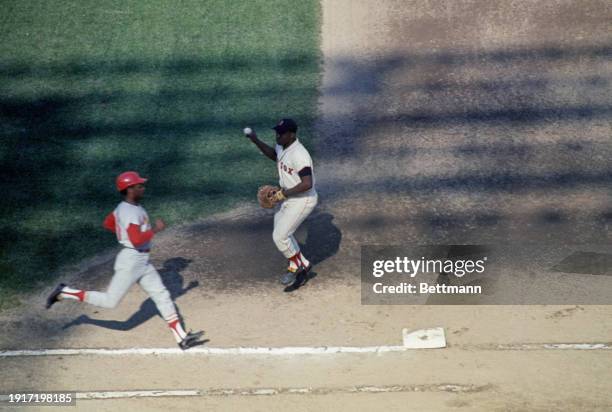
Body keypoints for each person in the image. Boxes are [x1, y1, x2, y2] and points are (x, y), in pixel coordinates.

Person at [46, 171, 203, 349]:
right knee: (110, 302)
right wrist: (156, 230)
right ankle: (65, 292)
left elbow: (108, 223)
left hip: (141, 260)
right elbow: (136, 240)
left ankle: (182, 338)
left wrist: (123, 235)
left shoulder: (127, 208)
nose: (143, 188)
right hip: (132, 260)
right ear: (129, 189)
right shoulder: (130, 211)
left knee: (162, 295)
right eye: (139, 185)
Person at [246, 119, 318, 289]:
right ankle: (304, 264)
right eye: (277, 131)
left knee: (280, 236)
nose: (278, 135)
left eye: (282, 132)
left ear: (292, 135)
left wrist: (282, 194)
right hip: (288, 197)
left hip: (303, 199)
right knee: (283, 232)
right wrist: (255, 140)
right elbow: (274, 155)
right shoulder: (283, 146)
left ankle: (295, 268)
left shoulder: (300, 155)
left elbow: (307, 183)